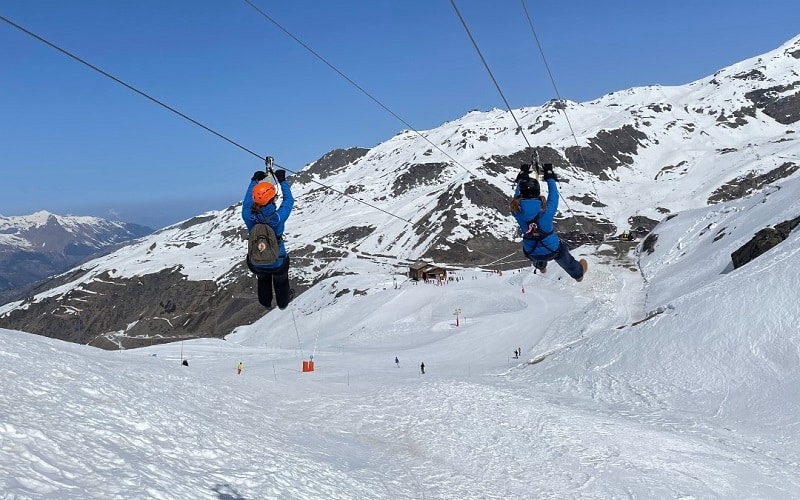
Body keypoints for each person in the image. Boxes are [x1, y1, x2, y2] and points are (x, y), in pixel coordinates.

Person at [510, 163, 587, 282]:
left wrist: (521, 178)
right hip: (552, 249)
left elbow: (516, 197)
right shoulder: (546, 209)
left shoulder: (516, 210)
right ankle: (578, 274)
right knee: (563, 254)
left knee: (536, 250)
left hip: (531, 251)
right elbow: (554, 195)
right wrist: (549, 176)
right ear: (537, 192)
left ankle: (541, 266)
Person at [242, 166, 295, 309]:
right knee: (281, 280)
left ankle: (265, 302)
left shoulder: (249, 217)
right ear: (273, 198)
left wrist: (254, 181)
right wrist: (282, 181)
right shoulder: (277, 218)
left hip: (256, 262)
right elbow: (289, 201)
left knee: (263, 279)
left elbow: (246, 203)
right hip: (278, 261)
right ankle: (282, 303)